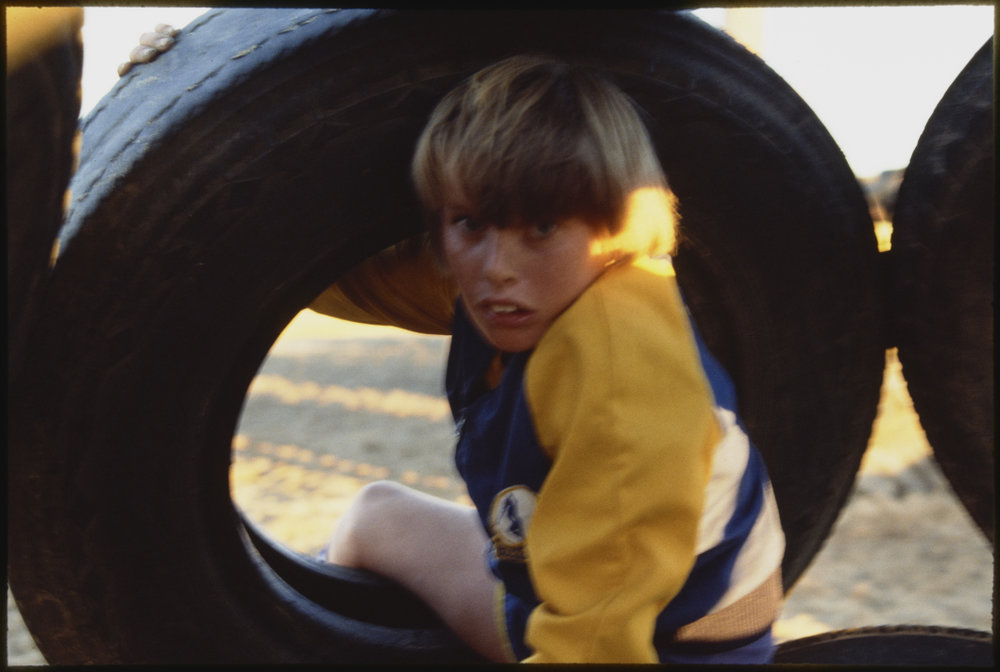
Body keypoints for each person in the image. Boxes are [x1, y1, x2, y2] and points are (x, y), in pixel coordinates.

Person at [121, 36, 785, 663]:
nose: (497, 266)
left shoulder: (624, 386)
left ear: (618, 229)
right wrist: (175, 124)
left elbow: (599, 644)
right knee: (374, 515)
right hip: (557, 569)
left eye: (543, 225)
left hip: (670, 638)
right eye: (471, 223)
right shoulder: (514, 288)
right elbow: (329, 279)